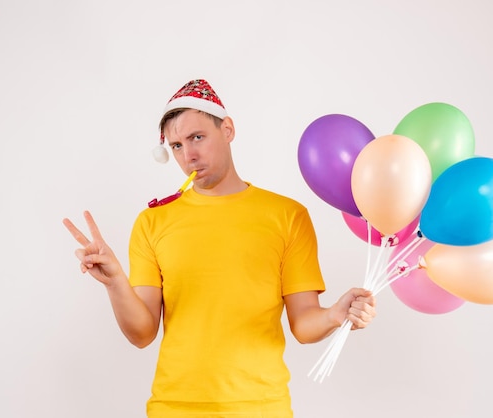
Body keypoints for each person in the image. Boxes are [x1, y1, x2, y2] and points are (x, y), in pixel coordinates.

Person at [63, 79, 377, 417]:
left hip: (261, 408)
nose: (188, 156)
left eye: (197, 137)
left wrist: (336, 315)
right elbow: (141, 334)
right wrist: (115, 284)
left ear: (227, 129)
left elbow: (303, 324)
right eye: (177, 146)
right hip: (174, 409)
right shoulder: (152, 222)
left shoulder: (287, 216)